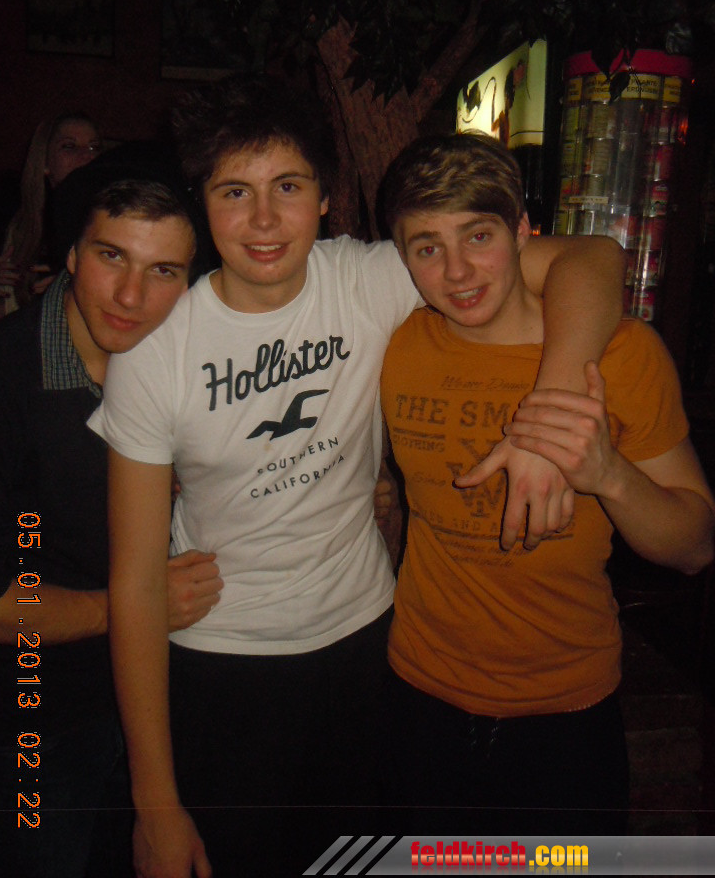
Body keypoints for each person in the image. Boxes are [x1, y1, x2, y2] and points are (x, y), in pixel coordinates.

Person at [90, 75, 626, 878]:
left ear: (327, 198)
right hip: (221, 662)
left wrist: (550, 422)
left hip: (366, 649)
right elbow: (134, 581)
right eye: (235, 192)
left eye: (288, 187)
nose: (263, 220)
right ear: (202, 203)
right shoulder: (159, 353)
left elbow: (591, 257)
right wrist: (156, 805)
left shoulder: (368, 279)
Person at [377, 132, 715, 834]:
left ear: (526, 232)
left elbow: (695, 547)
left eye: (479, 236)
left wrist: (608, 473)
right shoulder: (396, 346)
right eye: (427, 248)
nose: (457, 271)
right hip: (417, 697)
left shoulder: (620, 355)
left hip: (565, 715)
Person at [0, 145, 223, 878]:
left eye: (163, 271)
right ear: (71, 254)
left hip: (158, 702)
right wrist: (134, 606)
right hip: (30, 728)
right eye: (112, 256)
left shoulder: (185, 372)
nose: (131, 296)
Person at [0, 112, 102, 320]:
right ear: (45, 163)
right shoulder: (23, 224)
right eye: (69, 147)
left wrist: (74, 290)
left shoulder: (112, 221)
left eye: (94, 147)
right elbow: (8, 323)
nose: (87, 155)